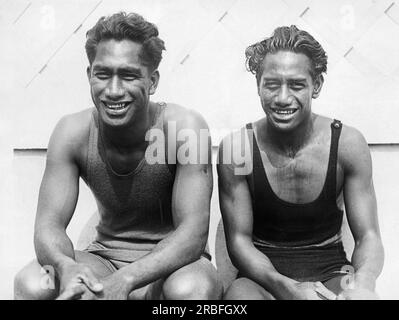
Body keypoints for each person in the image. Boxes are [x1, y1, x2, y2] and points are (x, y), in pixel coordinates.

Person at [14, 12, 222, 300]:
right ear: (90, 75)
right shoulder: (71, 132)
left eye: (128, 75)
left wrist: (126, 280)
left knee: (191, 291)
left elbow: (193, 234)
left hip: (174, 265)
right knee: (34, 282)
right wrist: (66, 267)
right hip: (103, 261)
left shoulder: (184, 127)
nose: (113, 90)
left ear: (152, 81)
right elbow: (48, 226)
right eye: (103, 74)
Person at [217, 25, 384, 300]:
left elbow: (368, 236)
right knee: (239, 299)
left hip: (333, 274)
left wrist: (363, 284)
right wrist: (289, 289)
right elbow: (238, 242)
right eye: (272, 85)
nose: (283, 98)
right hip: (263, 280)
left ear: (315, 85)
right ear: (258, 85)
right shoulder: (237, 148)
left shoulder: (347, 143)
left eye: (296, 85)